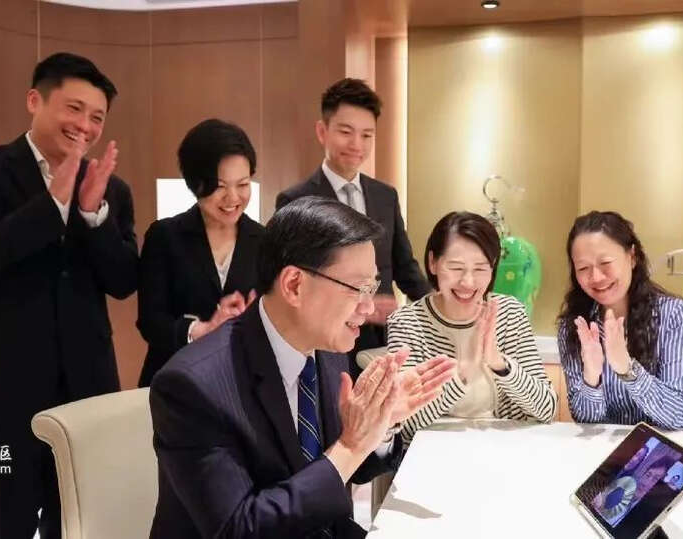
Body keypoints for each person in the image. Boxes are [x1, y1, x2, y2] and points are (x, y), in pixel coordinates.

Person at [148, 197, 455, 538]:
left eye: (372, 288)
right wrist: (352, 445)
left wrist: (379, 425)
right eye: (358, 289)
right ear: (294, 285)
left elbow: (337, 469)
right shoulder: (193, 385)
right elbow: (241, 528)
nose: (369, 308)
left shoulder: (326, 347)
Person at [0, 52, 138, 538]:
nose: (85, 126)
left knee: (76, 525)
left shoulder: (111, 190)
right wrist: (52, 205)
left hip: (83, 395)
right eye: (74, 109)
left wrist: (90, 214)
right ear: (35, 100)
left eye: (97, 117)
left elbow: (123, 281)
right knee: (0, 526)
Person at [276, 78, 430, 377]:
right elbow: (293, 283)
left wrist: (437, 311)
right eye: (346, 132)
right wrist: (360, 301)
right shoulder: (296, 200)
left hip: (380, 345)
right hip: (323, 347)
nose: (356, 144)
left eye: (366, 135)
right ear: (322, 131)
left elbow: (405, 269)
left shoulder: (386, 196)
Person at [387, 211, 556, 446]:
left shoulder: (509, 313)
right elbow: (403, 427)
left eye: (480, 269)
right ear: (433, 262)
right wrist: (463, 372)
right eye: (456, 268)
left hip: (504, 450)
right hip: (433, 454)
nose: (468, 282)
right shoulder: (408, 322)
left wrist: (499, 364)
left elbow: (547, 409)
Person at [557, 211, 683, 429]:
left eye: (605, 263)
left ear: (632, 257)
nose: (596, 277)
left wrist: (626, 369)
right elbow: (585, 421)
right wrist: (592, 378)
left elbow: (680, 416)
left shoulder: (675, 315)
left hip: (681, 442)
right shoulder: (575, 327)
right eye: (583, 268)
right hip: (616, 446)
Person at [137, 119, 263, 386]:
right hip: (173, 382)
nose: (233, 198)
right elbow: (150, 321)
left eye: (242, 184)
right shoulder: (165, 236)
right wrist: (200, 330)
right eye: (219, 186)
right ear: (195, 183)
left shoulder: (264, 240)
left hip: (239, 384)